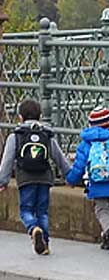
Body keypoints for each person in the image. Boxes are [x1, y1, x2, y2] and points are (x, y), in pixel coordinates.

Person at [0, 99, 71, 255]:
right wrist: (70, 176)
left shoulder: (15, 136)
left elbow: (7, 160)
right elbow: (59, 157)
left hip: (25, 179)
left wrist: (2, 181)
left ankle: (33, 228)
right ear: (40, 116)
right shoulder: (46, 134)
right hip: (44, 178)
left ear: (20, 117)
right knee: (42, 212)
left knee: (26, 210)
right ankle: (44, 243)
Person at [66, 106, 109, 253]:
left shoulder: (85, 144)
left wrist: (71, 180)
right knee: (108, 208)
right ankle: (106, 238)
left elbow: (79, 166)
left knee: (101, 209)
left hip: (96, 184)